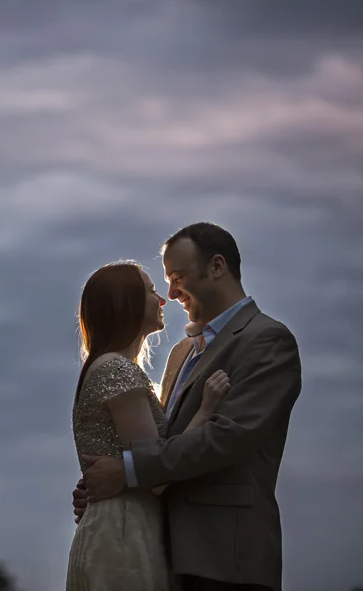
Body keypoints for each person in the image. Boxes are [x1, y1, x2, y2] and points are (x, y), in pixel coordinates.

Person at [74, 223, 303, 591]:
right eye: (164, 282)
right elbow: (162, 441)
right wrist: (109, 485)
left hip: (225, 557)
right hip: (162, 550)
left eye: (178, 278)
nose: (170, 293)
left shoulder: (266, 340)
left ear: (217, 267)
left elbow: (227, 438)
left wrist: (127, 472)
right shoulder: (181, 352)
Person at [66, 260, 232, 591]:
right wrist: (206, 411)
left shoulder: (109, 367)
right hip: (123, 532)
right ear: (125, 303)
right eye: (151, 291)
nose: (162, 300)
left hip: (118, 526)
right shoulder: (117, 370)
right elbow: (155, 474)